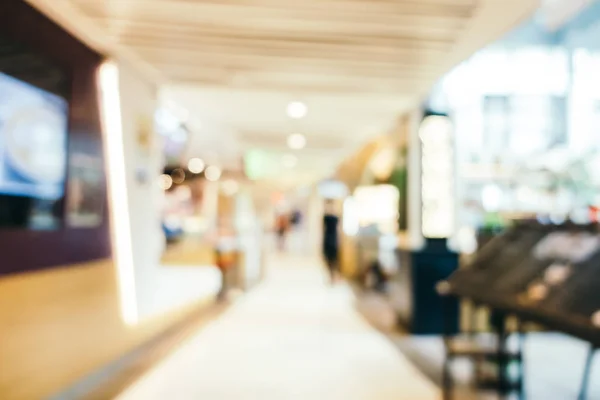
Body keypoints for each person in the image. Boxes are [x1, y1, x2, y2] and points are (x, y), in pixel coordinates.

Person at [322, 200, 340, 283]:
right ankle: (331, 276)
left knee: (333, 260)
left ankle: (333, 276)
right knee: (328, 259)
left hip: (333, 241)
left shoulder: (335, 218)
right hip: (328, 240)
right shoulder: (326, 217)